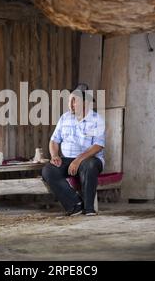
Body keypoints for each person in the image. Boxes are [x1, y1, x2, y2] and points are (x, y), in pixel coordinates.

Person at [42, 84, 105, 216]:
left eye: (74, 100)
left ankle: (89, 208)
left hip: (88, 160)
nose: (70, 104)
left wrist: (78, 160)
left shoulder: (96, 119)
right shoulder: (64, 118)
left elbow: (98, 146)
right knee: (48, 170)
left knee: (90, 165)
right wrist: (55, 155)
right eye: (69, 100)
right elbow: (54, 140)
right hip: (68, 161)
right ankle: (75, 205)